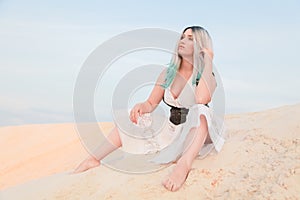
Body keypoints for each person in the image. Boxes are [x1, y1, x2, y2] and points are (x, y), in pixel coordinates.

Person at [73, 26, 225, 192]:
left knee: (200, 110)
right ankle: (93, 159)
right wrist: (142, 106)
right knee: (130, 120)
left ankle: (184, 165)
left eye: (190, 39)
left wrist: (208, 60)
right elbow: (151, 103)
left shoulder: (207, 75)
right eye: (182, 37)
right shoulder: (168, 73)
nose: (183, 41)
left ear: (201, 46)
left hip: (199, 131)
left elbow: (202, 99)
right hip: (173, 129)